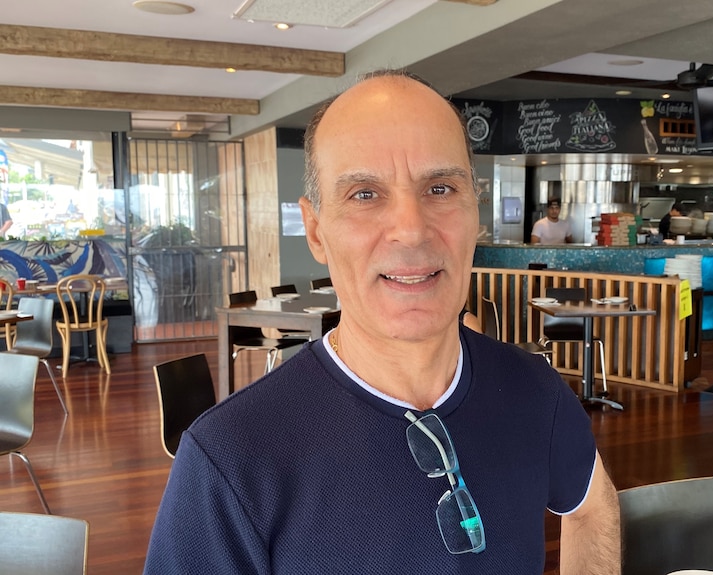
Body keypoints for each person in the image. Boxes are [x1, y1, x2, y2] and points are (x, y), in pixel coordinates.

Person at [144, 70, 620, 574]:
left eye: (440, 187)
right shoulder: (230, 458)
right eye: (364, 195)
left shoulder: (535, 391)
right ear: (316, 231)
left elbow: (592, 507)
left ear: (473, 213)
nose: (411, 231)